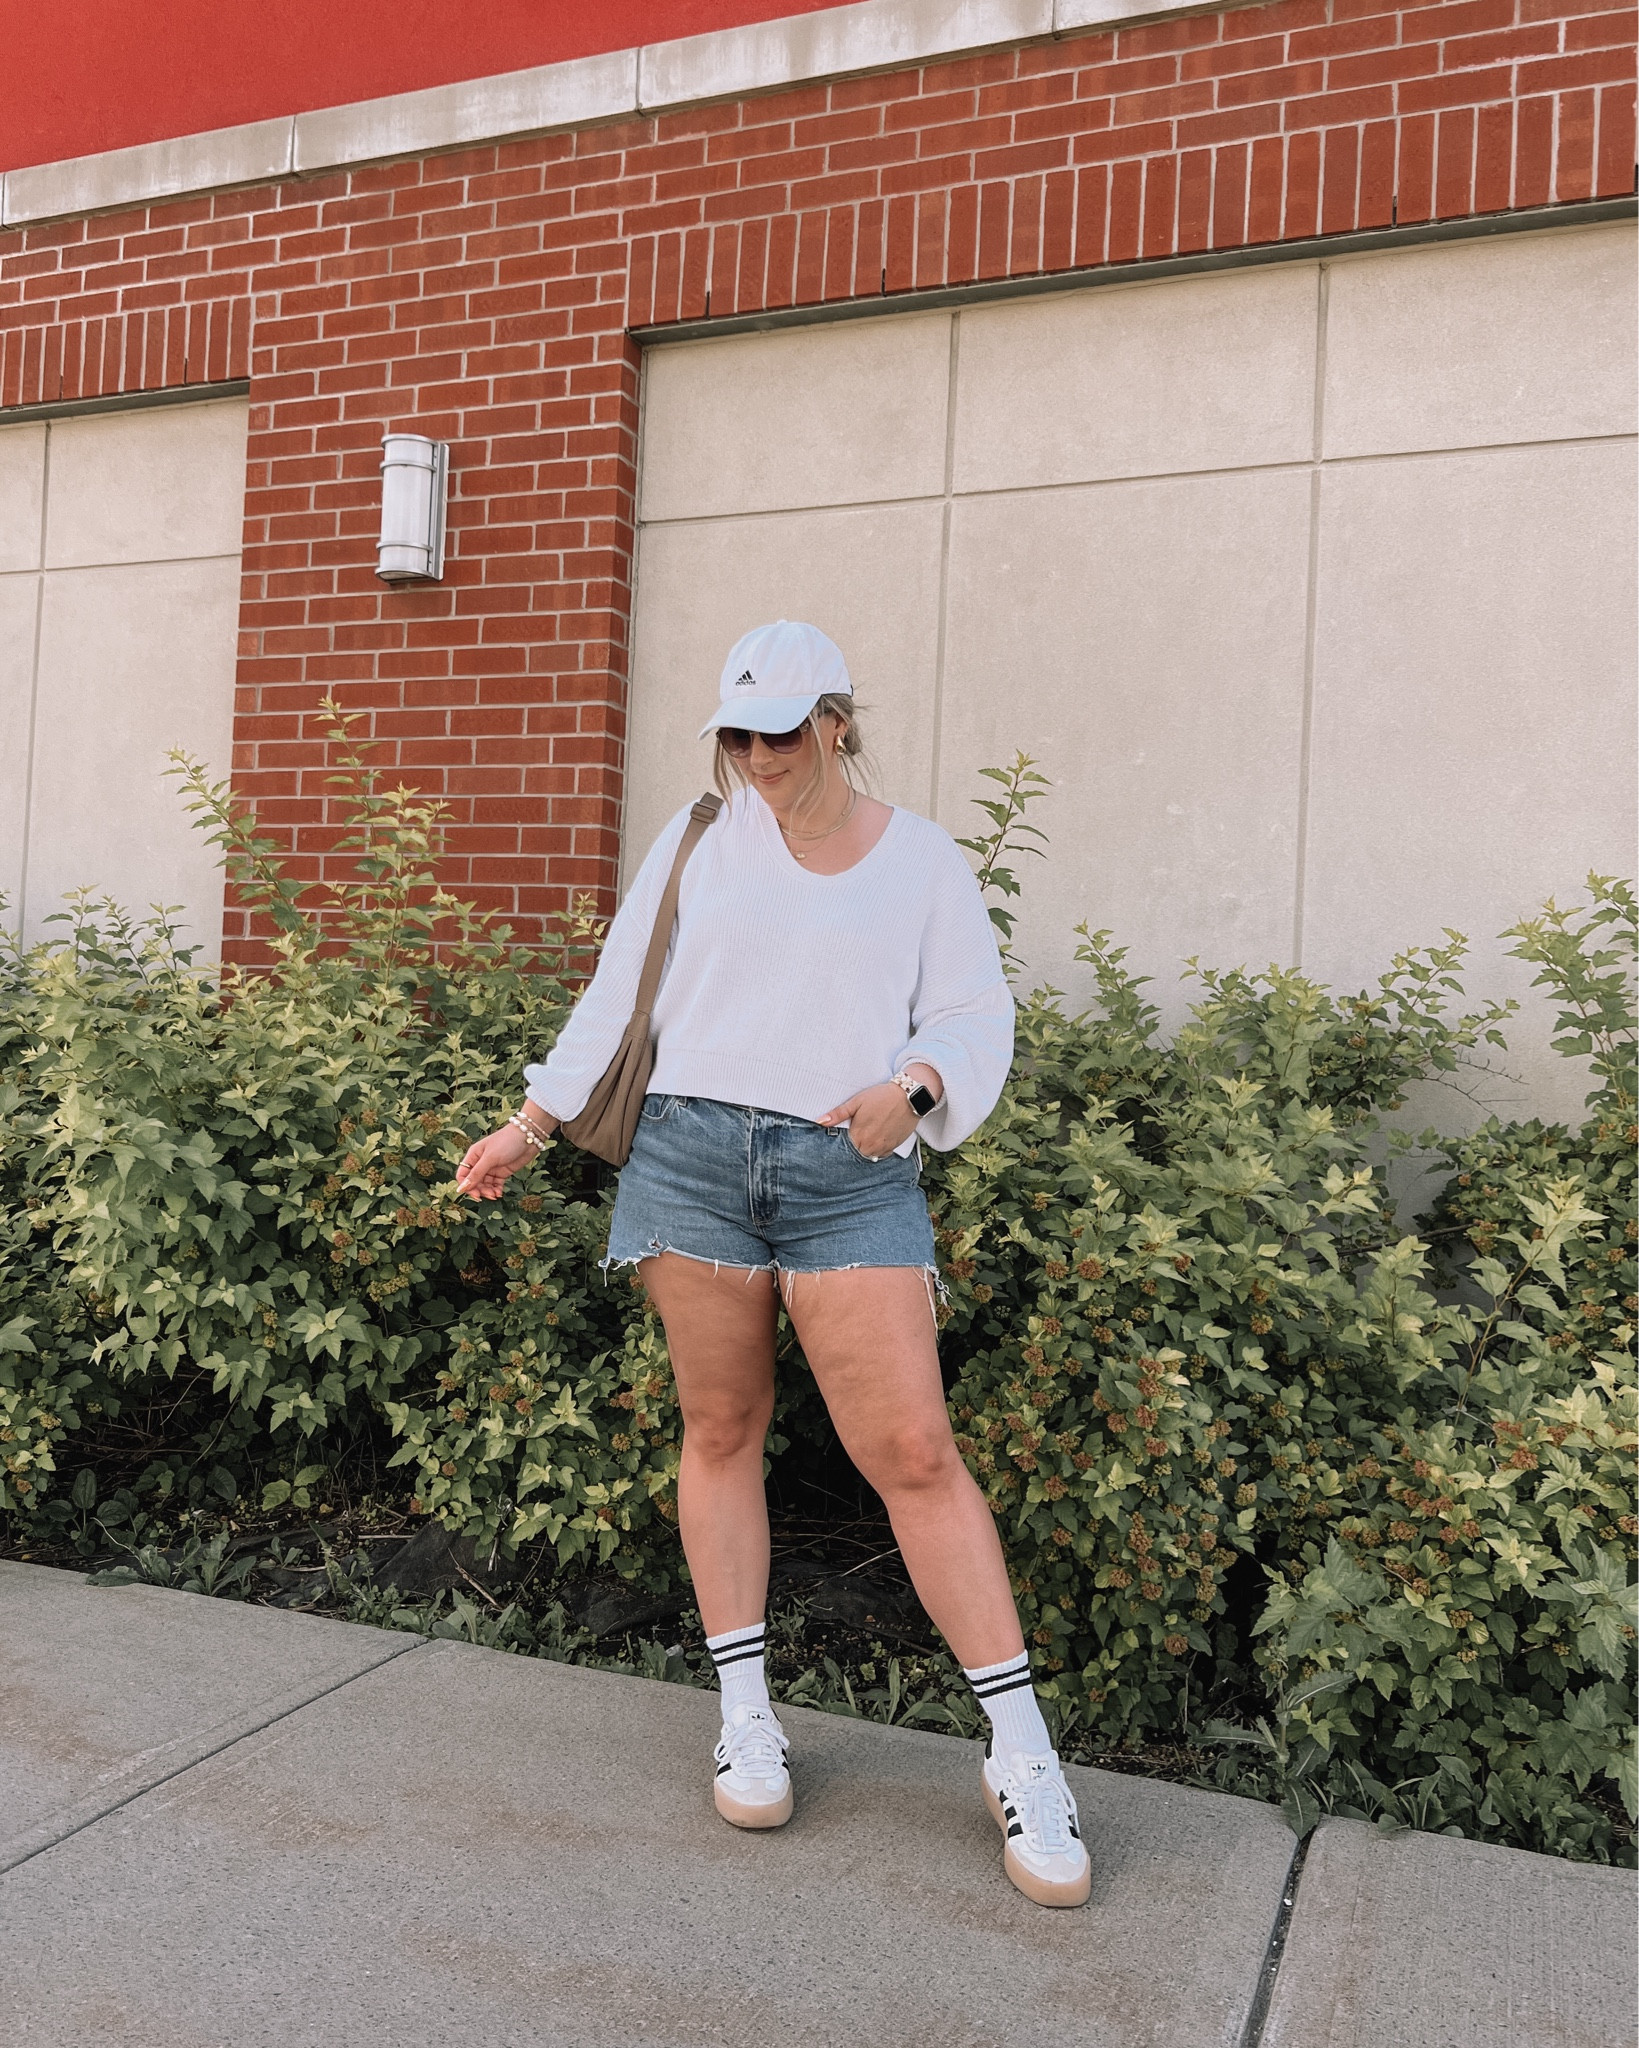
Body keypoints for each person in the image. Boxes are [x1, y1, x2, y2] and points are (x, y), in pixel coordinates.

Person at [455, 619, 1090, 1909]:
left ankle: (1022, 1755)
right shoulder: (698, 839)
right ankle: (746, 1711)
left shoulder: (919, 862)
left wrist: (913, 1091)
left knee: (914, 1451)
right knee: (721, 1424)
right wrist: (527, 1126)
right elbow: (616, 989)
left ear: (836, 722)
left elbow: (974, 1016)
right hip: (689, 1158)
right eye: (737, 732)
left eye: (780, 730)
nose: (756, 755)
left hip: (845, 1171)